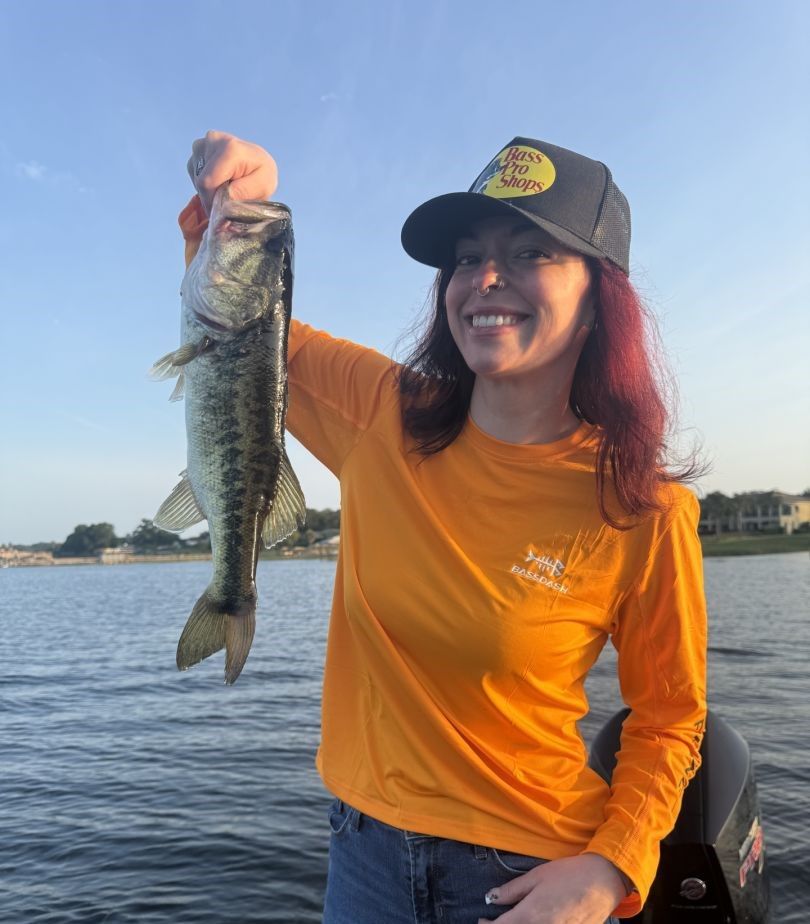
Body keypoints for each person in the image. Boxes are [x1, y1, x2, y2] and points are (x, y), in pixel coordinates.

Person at [178, 131, 707, 924]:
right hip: (362, 860)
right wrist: (236, 205)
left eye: (529, 252)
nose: (485, 277)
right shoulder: (380, 411)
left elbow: (669, 720)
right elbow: (236, 325)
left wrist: (611, 866)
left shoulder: (644, 509)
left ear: (600, 298)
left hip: (530, 873)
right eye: (466, 257)